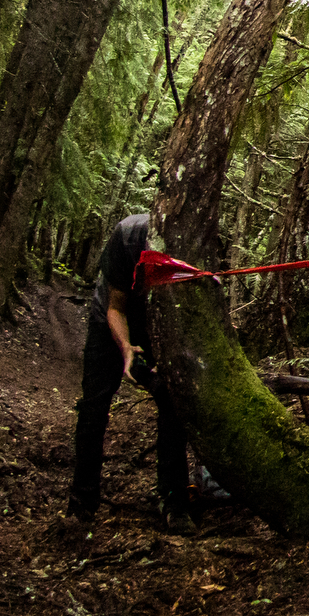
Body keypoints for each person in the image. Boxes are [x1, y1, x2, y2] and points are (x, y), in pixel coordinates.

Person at [69, 212, 188, 526]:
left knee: (172, 397)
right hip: (111, 318)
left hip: (160, 321)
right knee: (94, 405)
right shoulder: (127, 235)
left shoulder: (197, 242)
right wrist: (125, 349)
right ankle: (82, 501)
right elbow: (115, 307)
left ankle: (174, 502)